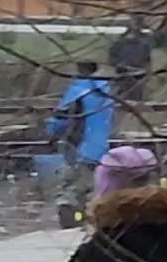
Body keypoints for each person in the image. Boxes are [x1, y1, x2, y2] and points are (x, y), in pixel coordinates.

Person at [45, 62, 117, 228]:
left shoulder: (77, 92)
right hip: (104, 148)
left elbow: (61, 119)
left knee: (68, 190)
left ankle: (72, 224)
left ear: (78, 70)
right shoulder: (106, 90)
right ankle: (87, 221)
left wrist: (51, 132)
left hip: (80, 147)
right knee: (92, 188)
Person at [107, 20, 153, 105]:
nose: (132, 35)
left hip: (137, 76)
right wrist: (119, 65)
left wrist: (145, 72)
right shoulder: (118, 44)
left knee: (136, 100)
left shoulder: (143, 46)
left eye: (135, 32)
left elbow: (147, 61)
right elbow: (112, 59)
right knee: (120, 99)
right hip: (122, 75)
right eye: (131, 32)